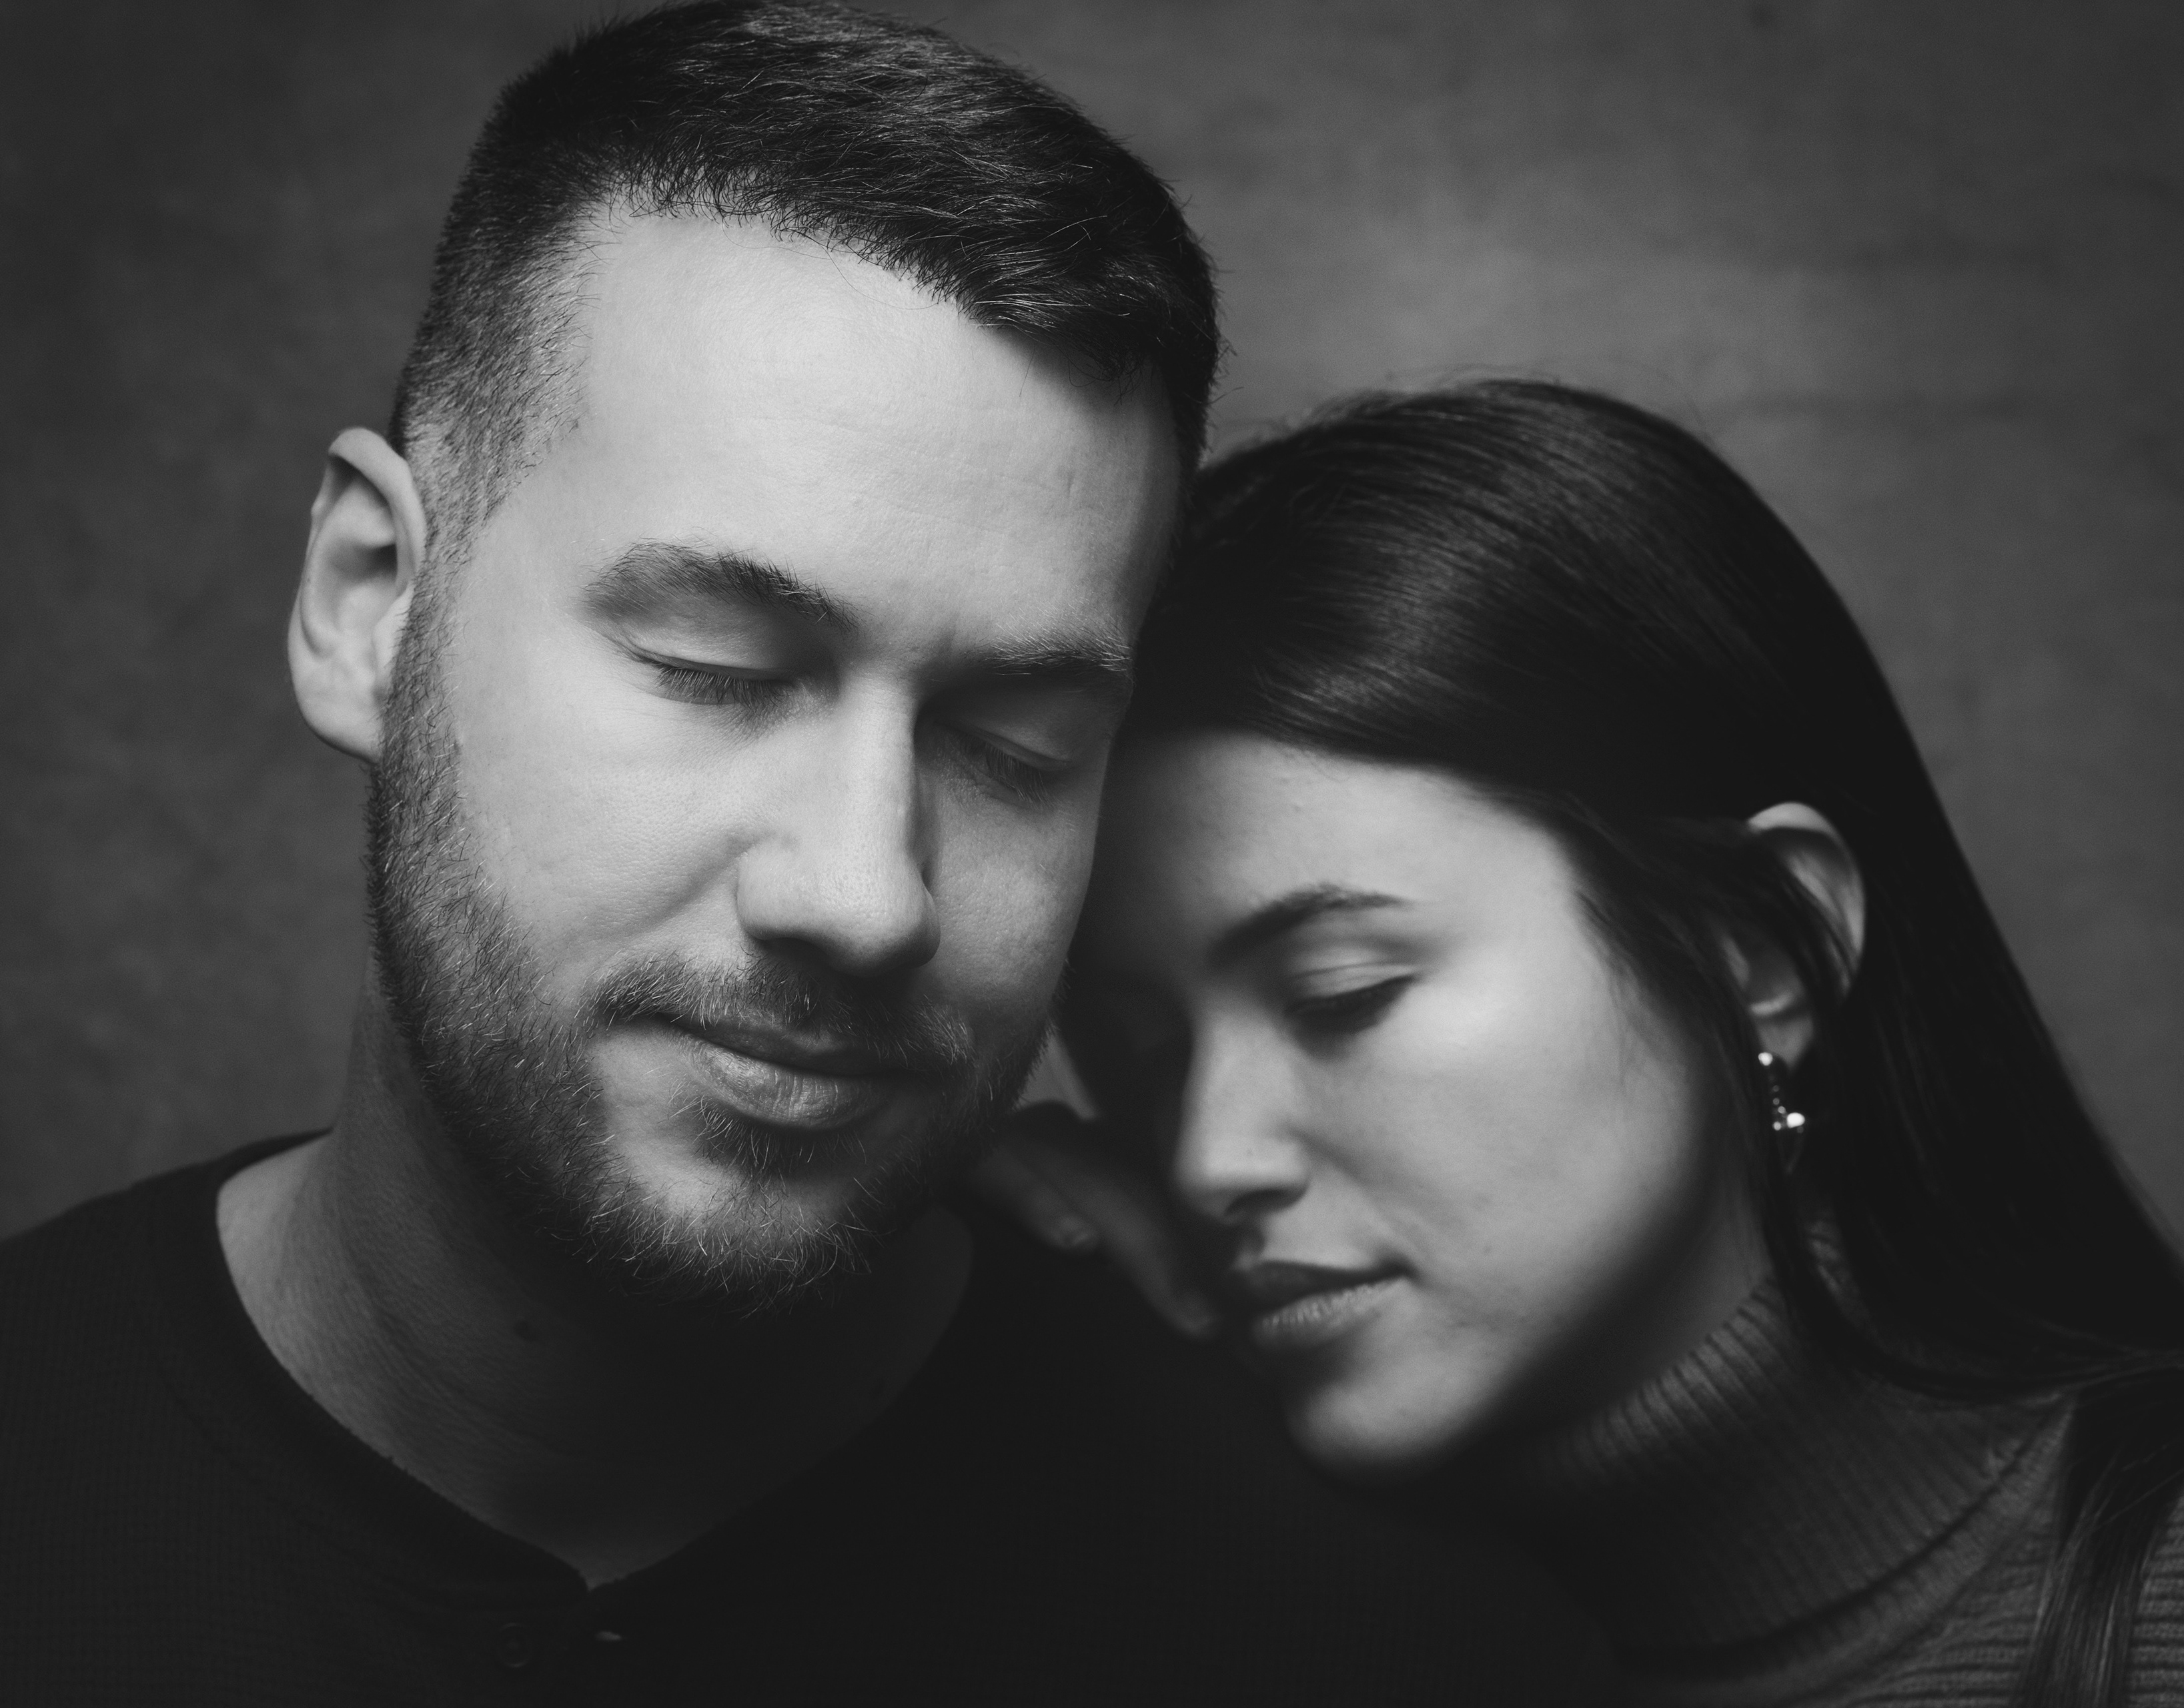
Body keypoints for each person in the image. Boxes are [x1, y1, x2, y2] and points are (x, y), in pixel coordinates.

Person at [0, 11, 1612, 1704]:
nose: (863, 892)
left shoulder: (1372, 1636)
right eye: (714, 668)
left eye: (1012, 746)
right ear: (369, 605)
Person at [985, 380, 2184, 1704]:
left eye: (1340, 995)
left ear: (1755, 950)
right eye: (1140, 1053)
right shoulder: (1264, 1621)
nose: (1206, 1158)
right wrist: (1003, 1347)